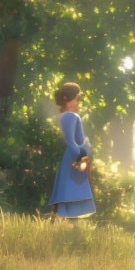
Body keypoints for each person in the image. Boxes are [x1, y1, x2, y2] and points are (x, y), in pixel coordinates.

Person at [47, 82, 96, 219]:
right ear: (66, 100)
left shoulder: (64, 116)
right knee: (73, 192)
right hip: (74, 157)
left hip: (72, 155)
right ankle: (69, 226)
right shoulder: (71, 116)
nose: (78, 103)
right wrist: (82, 154)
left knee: (68, 192)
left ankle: (64, 224)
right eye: (76, 99)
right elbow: (70, 141)